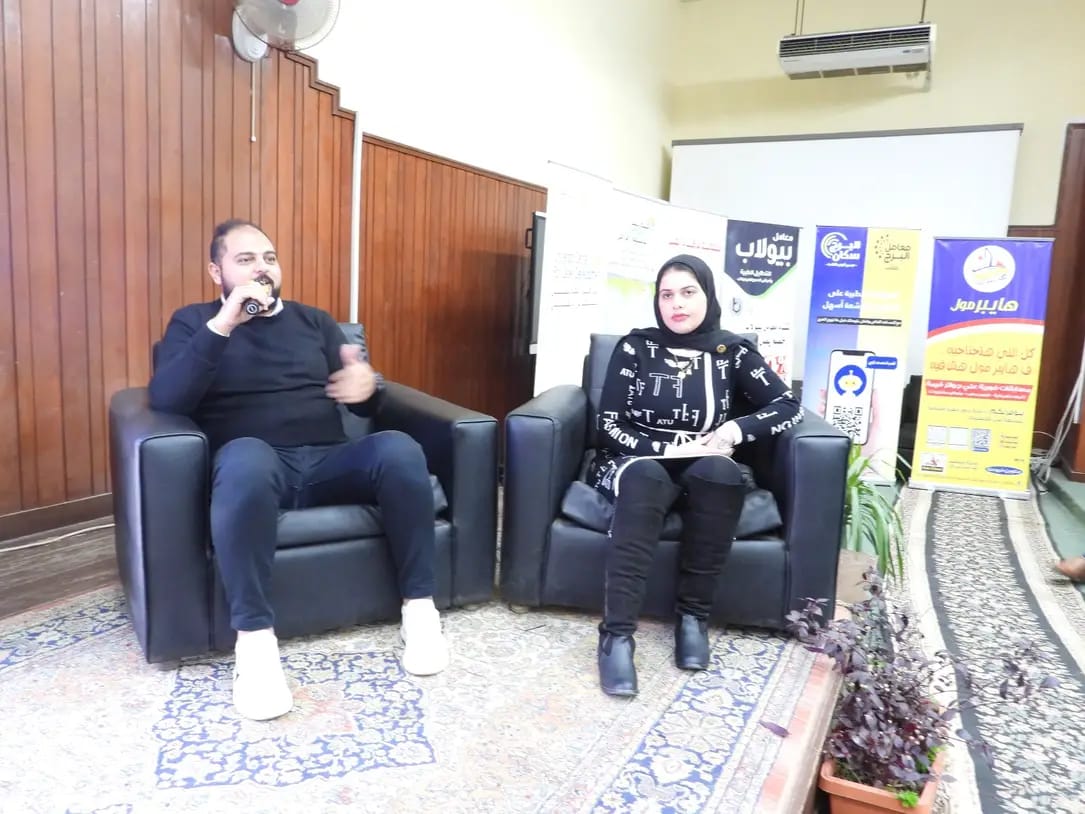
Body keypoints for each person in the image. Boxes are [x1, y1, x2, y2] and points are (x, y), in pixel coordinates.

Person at [148, 219, 449, 721]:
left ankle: (419, 611)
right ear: (216, 271)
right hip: (256, 464)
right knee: (244, 457)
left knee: (399, 449)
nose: (261, 268)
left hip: (328, 460)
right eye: (245, 259)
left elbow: (361, 402)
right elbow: (166, 398)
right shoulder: (195, 322)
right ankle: (255, 645)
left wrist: (366, 385)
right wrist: (225, 324)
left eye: (268, 258)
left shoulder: (315, 321)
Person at [588, 254, 803, 697]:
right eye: (667, 295)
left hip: (704, 457)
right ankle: (617, 636)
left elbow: (787, 405)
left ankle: (692, 619)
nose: (677, 304)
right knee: (646, 479)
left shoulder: (732, 352)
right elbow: (609, 425)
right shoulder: (635, 348)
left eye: (688, 292)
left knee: (721, 475)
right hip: (640, 458)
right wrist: (665, 449)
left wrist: (733, 430)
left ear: (708, 296)